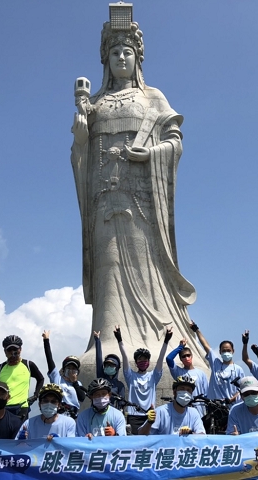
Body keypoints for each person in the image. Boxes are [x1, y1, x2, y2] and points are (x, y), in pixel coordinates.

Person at [70, 4, 198, 350]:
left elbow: (175, 142)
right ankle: (110, 341)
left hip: (142, 203)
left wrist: (151, 154)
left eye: (127, 51)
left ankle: (163, 337)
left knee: (146, 267)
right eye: (115, 52)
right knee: (109, 266)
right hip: (105, 203)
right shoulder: (94, 103)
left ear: (138, 58)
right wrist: (82, 132)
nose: (121, 58)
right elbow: (79, 154)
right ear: (105, 60)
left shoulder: (152, 97)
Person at [114, 325, 170, 434]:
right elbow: (124, 357)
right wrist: (119, 339)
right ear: (135, 362)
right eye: (140, 359)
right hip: (133, 416)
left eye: (145, 359)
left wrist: (166, 340)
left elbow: (160, 358)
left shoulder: (153, 376)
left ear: (149, 362)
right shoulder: (130, 376)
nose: (143, 361)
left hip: (149, 415)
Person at [191, 320, 244, 403]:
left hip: (231, 406)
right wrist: (197, 330)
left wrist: (231, 400)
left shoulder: (238, 369)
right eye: (224, 351)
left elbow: (242, 389)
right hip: (214, 405)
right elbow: (206, 346)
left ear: (233, 351)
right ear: (220, 352)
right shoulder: (216, 363)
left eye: (228, 350)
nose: (226, 352)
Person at [0, 335, 44, 418]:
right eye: (9, 350)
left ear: (20, 349)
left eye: (15, 349)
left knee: (21, 431)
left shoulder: (28, 365)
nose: (13, 352)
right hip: (3, 407)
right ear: (5, 351)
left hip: (22, 408)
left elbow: (40, 379)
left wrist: (36, 395)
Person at [139, 375, 205, 435]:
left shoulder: (194, 413)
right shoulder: (161, 412)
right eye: (182, 389)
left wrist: (190, 433)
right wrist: (149, 423)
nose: (185, 393)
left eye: (188, 390)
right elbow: (141, 435)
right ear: (174, 392)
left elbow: (202, 435)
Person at [42, 330, 85, 414]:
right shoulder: (57, 378)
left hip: (72, 415)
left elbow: (82, 397)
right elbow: (49, 359)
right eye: (69, 367)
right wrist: (46, 340)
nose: (71, 371)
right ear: (64, 369)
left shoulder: (78, 384)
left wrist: (74, 382)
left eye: (74, 368)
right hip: (58, 412)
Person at [165, 338, 209, 416]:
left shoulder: (201, 373)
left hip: (200, 409)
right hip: (183, 408)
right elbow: (169, 359)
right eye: (184, 356)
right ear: (181, 359)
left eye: (188, 355)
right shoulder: (178, 372)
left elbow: (206, 394)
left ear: (191, 356)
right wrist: (180, 347)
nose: (186, 358)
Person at [92, 330, 126, 408]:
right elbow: (99, 359)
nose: (108, 367)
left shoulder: (119, 385)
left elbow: (122, 403)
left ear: (117, 368)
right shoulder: (101, 379)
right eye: (107, 365)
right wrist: (97, 340)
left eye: (111, 365)